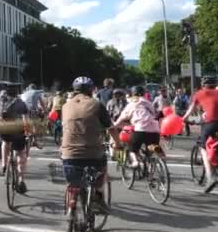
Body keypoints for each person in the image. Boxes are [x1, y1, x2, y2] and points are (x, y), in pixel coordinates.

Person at [61, 76, 117, 214]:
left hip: (69, 153)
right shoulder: (97, 105)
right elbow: (111, 128)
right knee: (102, 169)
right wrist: (119, 143)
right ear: (92, 90)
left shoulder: (65, 106)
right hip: (93, 153)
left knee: (73, 182)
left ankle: (71, 204)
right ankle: (98, 196)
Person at [182, 76, 218, 193]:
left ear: (203, 85)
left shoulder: (199, 93)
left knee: (203, 147)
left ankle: (210, 177)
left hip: (211, 122)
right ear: (215, 84)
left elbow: (191, 109)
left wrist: (184, 118)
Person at [115, 86, 161, 168]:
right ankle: (152, 168)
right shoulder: (148, 102)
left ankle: (135, 162)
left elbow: (122, 117)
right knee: (151, 149)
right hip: (155, 130)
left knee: (132, 149)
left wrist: (114, 125)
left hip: (140, 129)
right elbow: (155, 114)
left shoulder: (132, 104)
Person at [0, 90, 31, 194]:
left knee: (5, 142)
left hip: (4, 130)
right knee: (21, 152)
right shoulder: (21, 104)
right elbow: (25, 121)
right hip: (17, 133)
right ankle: (21, 180)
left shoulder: (2, 101)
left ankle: (4, 165)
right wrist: (28, 132)